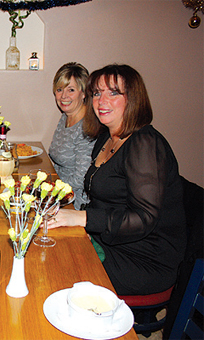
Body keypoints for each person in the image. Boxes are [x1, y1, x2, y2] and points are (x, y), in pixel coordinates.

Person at [48, 64, 186, 296]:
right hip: (111, 241)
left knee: (61, 269)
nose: (102, 101)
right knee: (50, 245)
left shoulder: (145, 144)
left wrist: (82, 218)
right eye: (97, 93)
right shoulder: (106, 138)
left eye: (113, 93)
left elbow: (143, 218)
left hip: (143, 257)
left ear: (133, 98)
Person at [48, 62, 95, 210]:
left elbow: (82, 178)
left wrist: (50, 189)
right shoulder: (66, 116)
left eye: (71, 90)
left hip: (76, 201)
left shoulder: (87, 126)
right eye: (60, 89)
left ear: (84, 93)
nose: (63, 96)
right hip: (59, 190)